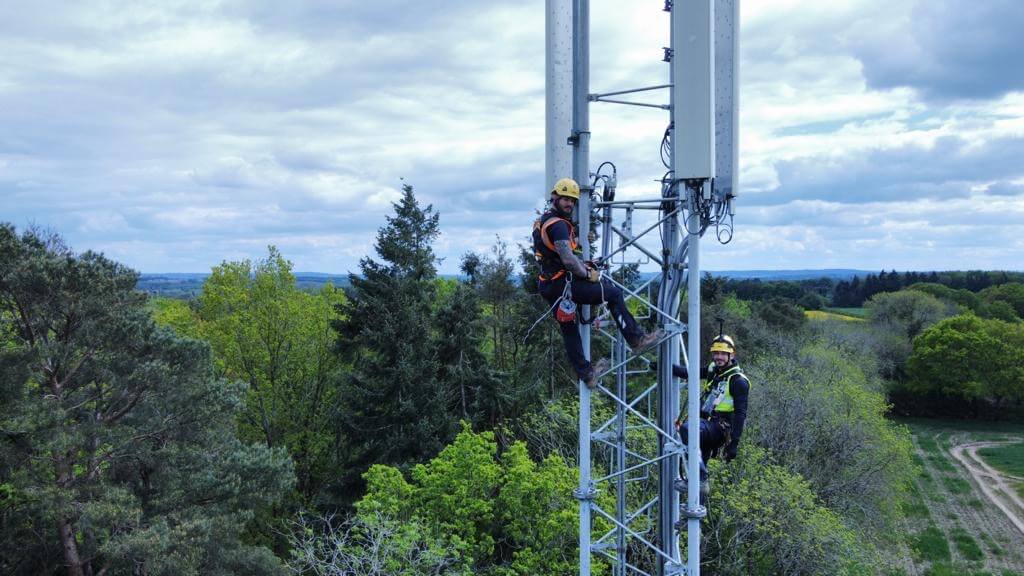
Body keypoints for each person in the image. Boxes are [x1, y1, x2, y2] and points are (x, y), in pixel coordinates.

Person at [532, 177, 662, 388]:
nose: (569, 204)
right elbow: (567, 259)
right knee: (612, 294)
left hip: (548, 284)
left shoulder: (544, 221)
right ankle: (636, 339)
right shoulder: (559, 226)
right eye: (565, 199)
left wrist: (585, 264)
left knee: (569, 328)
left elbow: (555, 256)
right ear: (555, 197)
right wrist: (587, 274)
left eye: (572, 200)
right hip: (562, 283)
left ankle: (587, 373)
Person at [672, 334, 750, 500]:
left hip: (719, 427)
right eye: (716, 353)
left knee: (687, 429)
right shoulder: (713, 370)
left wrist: (734, 444)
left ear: (731, 355)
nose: (718, 357)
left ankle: (701, 478)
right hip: (705, 426)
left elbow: (740, 414)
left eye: (723, 354)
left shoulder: (738, 380)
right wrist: (662, 366)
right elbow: (689, 373)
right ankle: (694, 511)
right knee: (698, 465)